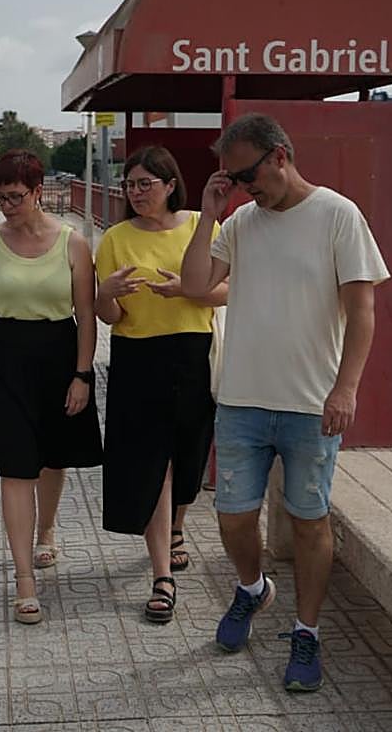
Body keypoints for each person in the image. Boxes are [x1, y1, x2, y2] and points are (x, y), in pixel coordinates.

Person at [181, 113, 389, 691]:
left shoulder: (337, 215)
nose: (244, 187)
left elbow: (363, 311)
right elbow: (198, 286)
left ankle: (307, 631)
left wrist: (346, 387)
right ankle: (252, 588)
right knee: (232, 519)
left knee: (308, 521)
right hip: (243, 398)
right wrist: (209, 211)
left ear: (280, 156)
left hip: (310, 403)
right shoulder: (242, 221)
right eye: (233, 177)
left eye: (247, 174)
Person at [0, 149, 102, 625]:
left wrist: (83, 374)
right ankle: (24, 578)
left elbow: (85, 317)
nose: (7, 206)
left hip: (59, 355)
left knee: (51, 458)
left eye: (16, 196)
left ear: (40, 191)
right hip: (2, 358)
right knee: (16, 467)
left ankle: (47, 530)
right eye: (0, 197)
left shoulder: (73, 242)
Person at [94, 146, 227, 624]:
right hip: (137, 356)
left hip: (192, 353)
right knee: (154, 465)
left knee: (188, 455)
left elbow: (230, 289)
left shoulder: (199, 226)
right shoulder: (114, 238)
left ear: (171, 185)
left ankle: (176, 527)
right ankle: (162, 577)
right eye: (129, 185)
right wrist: (105, 296)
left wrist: (189, 290)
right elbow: (109, 316)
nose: (136, 193)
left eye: (145, 184)